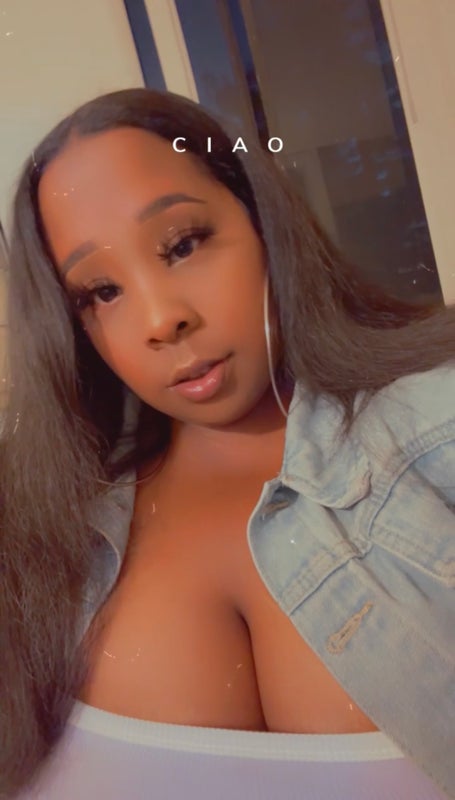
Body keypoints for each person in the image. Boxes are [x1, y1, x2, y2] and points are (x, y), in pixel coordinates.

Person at [0, 88, 453, 800]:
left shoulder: (434, 427)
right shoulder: (44, 535)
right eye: (101, 292)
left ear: (261, 219)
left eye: (182, 245)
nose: (161, 319)